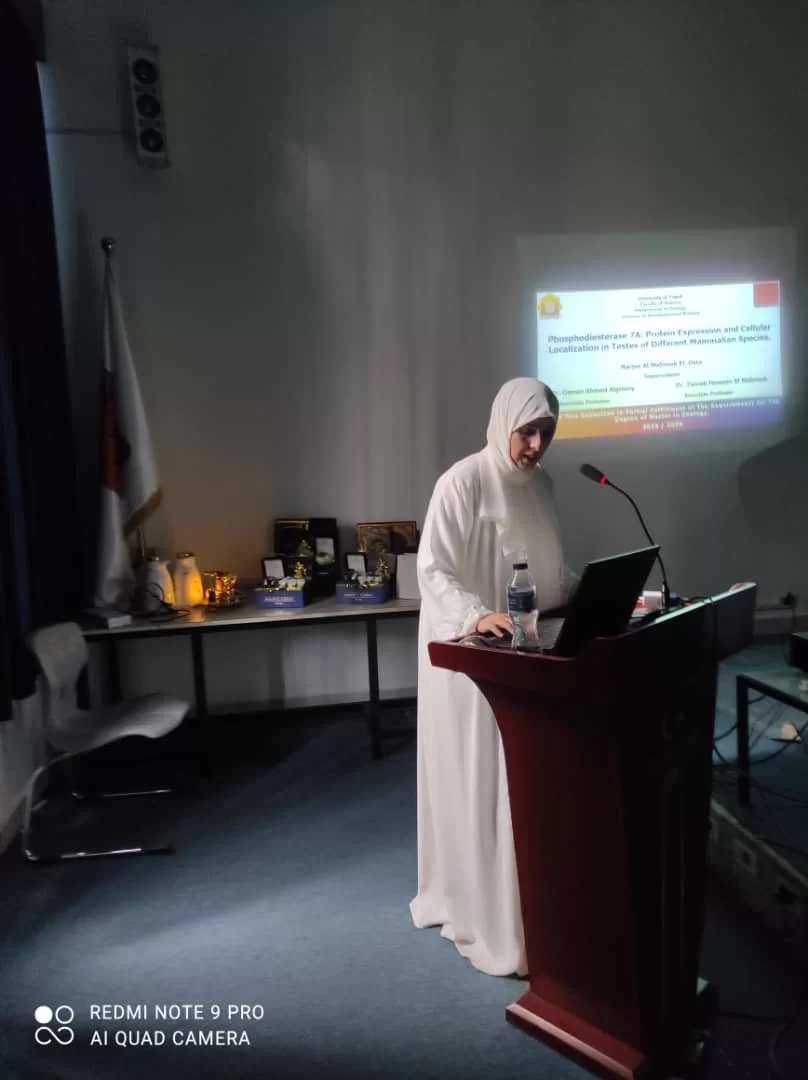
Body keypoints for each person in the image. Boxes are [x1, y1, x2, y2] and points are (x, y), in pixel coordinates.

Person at [409, 376, 573, 977]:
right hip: (471, 656)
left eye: (546, 433)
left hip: (528, 654)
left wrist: (609, 592)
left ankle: (530, 906)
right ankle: (480, 905)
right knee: (478, 779)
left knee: (520, 782)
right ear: (503, 423)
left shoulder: (544, 486)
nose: (535, 445)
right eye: (527, 431)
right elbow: (433, 568)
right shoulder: (462, 482)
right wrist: (476, 615)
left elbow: (550, 573)